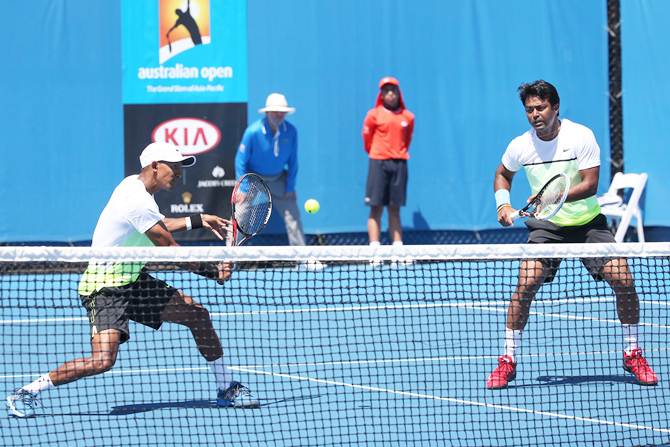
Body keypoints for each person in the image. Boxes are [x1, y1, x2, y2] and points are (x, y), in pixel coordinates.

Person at [6, 142, 258, 418]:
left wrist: (199, 219)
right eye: (173, 167)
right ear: (154, 167)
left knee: (197, 315)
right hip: (106, 287)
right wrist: (214, 272)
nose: (178, 173)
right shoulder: (137, 201)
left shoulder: (133, 186)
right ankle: (27, 391)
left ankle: (226, 387)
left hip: (133, 280)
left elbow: (157, 224)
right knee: (103, 361)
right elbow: (170, 248)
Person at [487, 80, 658, 389]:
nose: (535, 114)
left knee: (624, 280)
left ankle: (632, 352)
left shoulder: (580, 136)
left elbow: (591, 184)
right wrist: (503, 204)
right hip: (546, 226)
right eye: (529, 110)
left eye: (540, 108)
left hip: (588, 223)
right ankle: (507, 360)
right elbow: (502, 174)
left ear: (555, 107)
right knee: (526, 284)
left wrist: (553, 198)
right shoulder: (520, 146)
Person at [235, 93, 306, 246]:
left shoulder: (292, 131)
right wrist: (243, 187)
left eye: (282, 112)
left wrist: (290, 187)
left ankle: (303, 257)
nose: (280, 115)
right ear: (267, 113)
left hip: (279, 178)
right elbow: (240, 161)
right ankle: (230, 259)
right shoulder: (252, 132)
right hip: (254, 180)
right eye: (275, 111)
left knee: (293, 216)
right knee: (240, 217)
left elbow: (293, 161)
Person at [362, 76, 415, 246]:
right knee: (375, 207)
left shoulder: (408, 117)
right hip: (378, 163)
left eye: (393, 91)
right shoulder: (373, 115)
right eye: (386, 91)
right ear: (382, 95)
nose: (390, 94)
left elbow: (407, 140)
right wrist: (378, 152)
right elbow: (367, 139)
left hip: (399, 164)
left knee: (395, 208)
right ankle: (374, 248)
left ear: (398, 94)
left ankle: (397, 248)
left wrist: (397, 152)